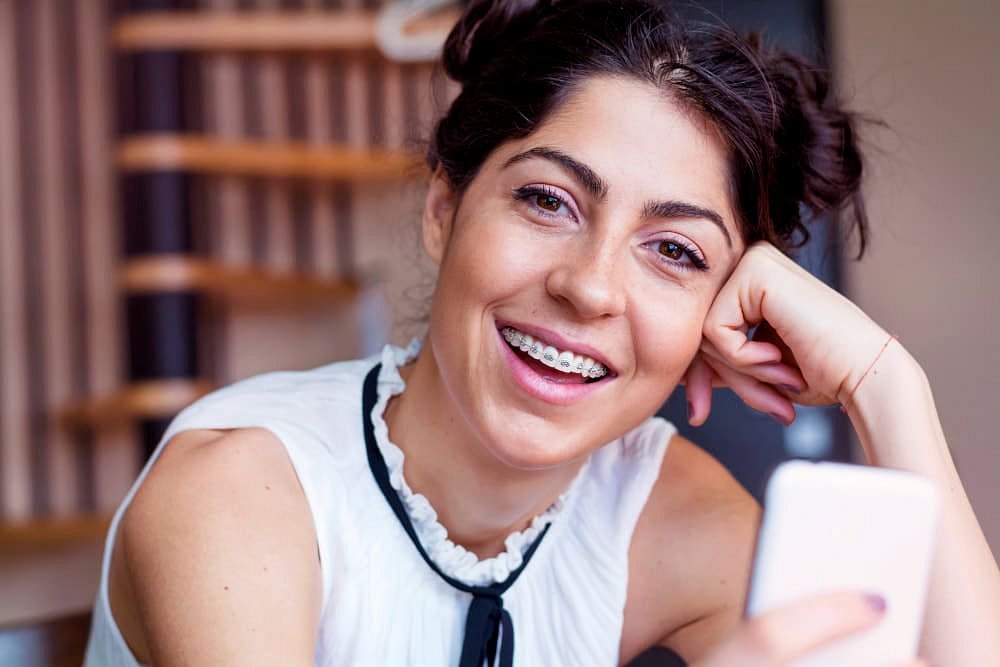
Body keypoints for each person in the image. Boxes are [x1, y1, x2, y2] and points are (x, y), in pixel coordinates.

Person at [84, 0, 1000, 665]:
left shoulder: (659, 512)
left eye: (675, 251)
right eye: (547, 199)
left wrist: (888, 385)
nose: (590, 286)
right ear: (444, 208)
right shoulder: (240, 494)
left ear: (719, 311)